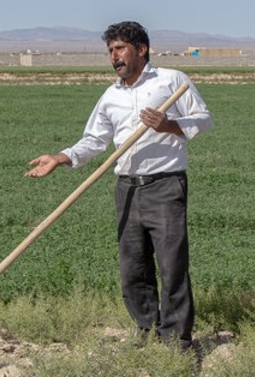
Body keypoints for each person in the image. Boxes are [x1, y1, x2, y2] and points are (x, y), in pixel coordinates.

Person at [26, 20, 214, 350]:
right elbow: (94, 140)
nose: (114, 56)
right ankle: (146, 329)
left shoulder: (172, 81)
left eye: (120, 48)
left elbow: (203, 119)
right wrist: (60, 158)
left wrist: (168, 125)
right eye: (110, 50)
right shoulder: (111, 95)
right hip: (127, 188)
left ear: (141, 49)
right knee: (133, 268)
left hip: (165, 186)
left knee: (172, 267)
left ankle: (177, 343)